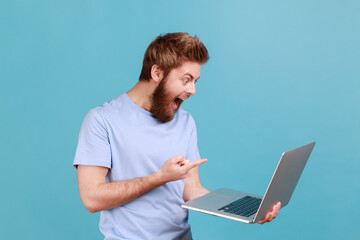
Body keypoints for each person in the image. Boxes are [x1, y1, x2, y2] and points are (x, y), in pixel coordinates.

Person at [73, 32, 280, 240]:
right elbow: (92, 199)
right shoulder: (101, 120)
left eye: (195, 81)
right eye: (186, 80)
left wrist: (249, 210)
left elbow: (191, 189)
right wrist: (160, 178)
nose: (192, 90)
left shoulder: (185, 121)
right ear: (157, 72)